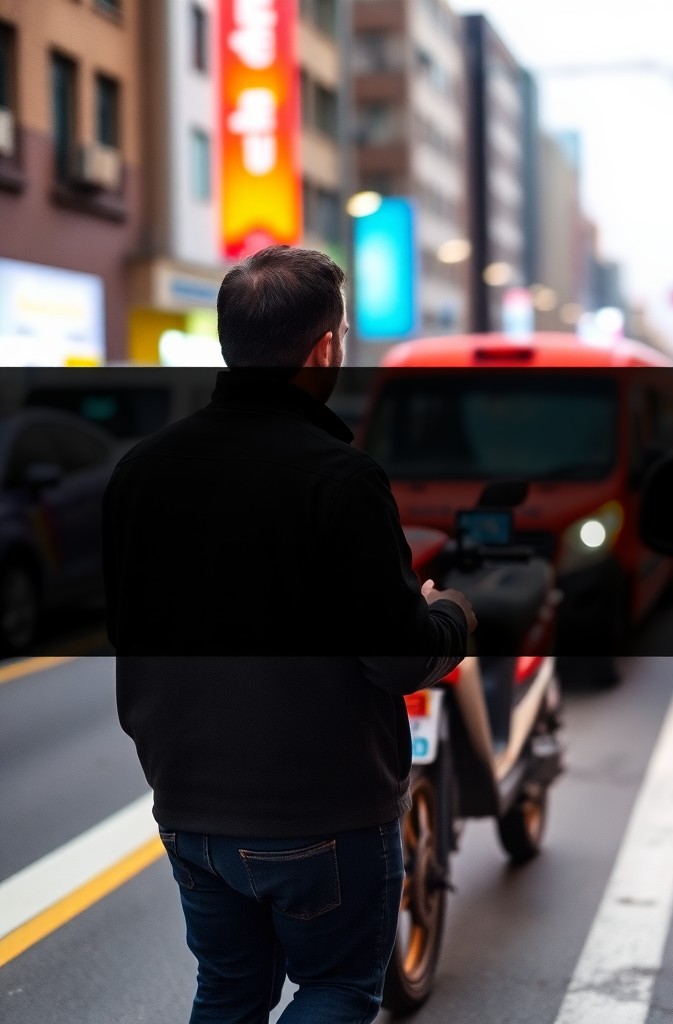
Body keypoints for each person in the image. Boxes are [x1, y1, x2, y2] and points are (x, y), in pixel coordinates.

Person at [103, 245, 476, 1024]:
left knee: (230, 989)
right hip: (321, 811)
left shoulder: (142, 470)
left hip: (189, 804)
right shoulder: (340, 477)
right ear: (324, 348)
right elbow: (399, 656)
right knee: (337, 988)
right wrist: (450, 614)